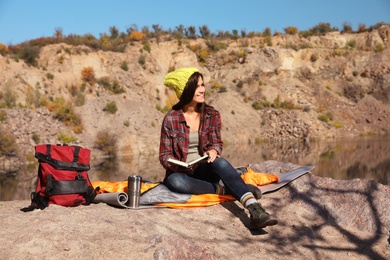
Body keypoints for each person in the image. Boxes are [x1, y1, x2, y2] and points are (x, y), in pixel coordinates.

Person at [159, 67, 278, 229]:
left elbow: (216, 143)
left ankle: (255, 209)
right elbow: (164, 155)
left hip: (205, 170)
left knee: (221, 163)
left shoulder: (211, 114)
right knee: (174, 181)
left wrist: (214, 151)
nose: (202, 90)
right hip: (183, 174)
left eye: (202, 85)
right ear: (186, 90)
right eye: (197, 86)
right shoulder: (170, 119)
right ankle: (229, 190)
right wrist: (174, 165)